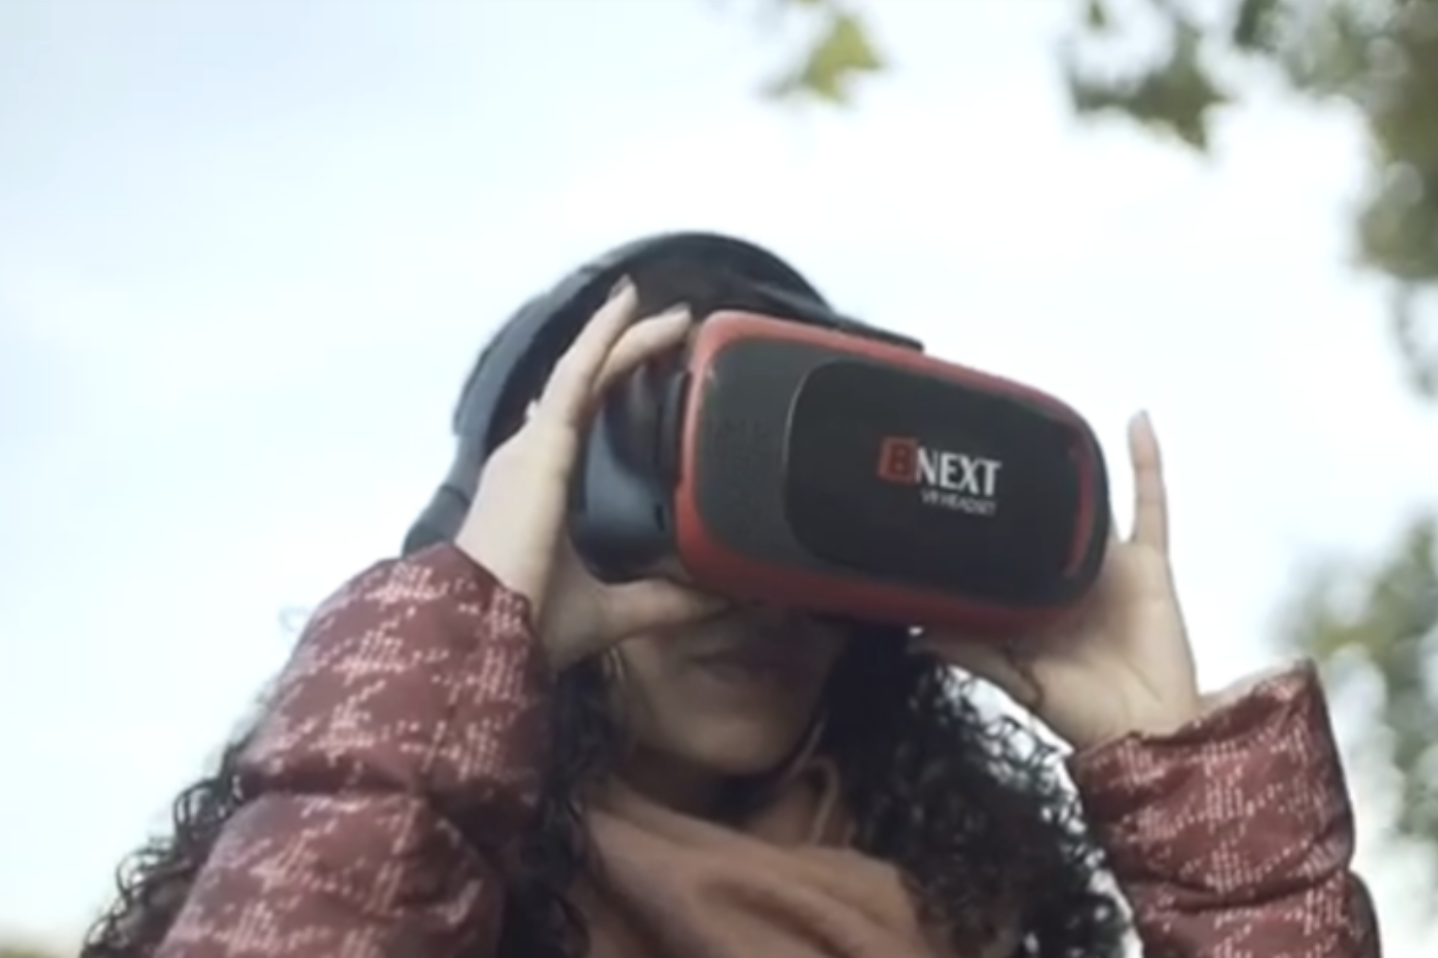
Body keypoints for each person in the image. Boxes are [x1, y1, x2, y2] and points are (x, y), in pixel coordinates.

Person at [82, 246, 1380, 958]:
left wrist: (1214, 844)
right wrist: (456, 655)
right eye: (686, 518)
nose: (755, 597)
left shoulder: (993, 923)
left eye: (794, 534)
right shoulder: (413, 893)